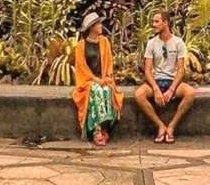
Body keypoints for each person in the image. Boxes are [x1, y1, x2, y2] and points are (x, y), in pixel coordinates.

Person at [134, 9, 196, 143]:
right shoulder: (151, 43)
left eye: (157, 21)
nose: (154, 24)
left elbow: (180, 70)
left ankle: (172, 126)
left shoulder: (178, 42)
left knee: (190, 93)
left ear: (166, 22)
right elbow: (148, 69)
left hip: (172, 81)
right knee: (139, 94)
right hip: (156, 81)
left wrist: (172, 89)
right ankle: (160, 126)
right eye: (153, 22)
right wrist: (155, 89)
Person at [72, 12, 123, 146]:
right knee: (96, 91)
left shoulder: (105, 42)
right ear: (91, 27)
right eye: (98, 23)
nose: (101, 26)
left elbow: (109, 63)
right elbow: (81, 68)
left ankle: (105, 127)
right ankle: (97, 130)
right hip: (88, 81)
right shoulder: (80, 46)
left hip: (103, 78)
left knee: (107, 90)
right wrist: (95, 79)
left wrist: (105, 78)